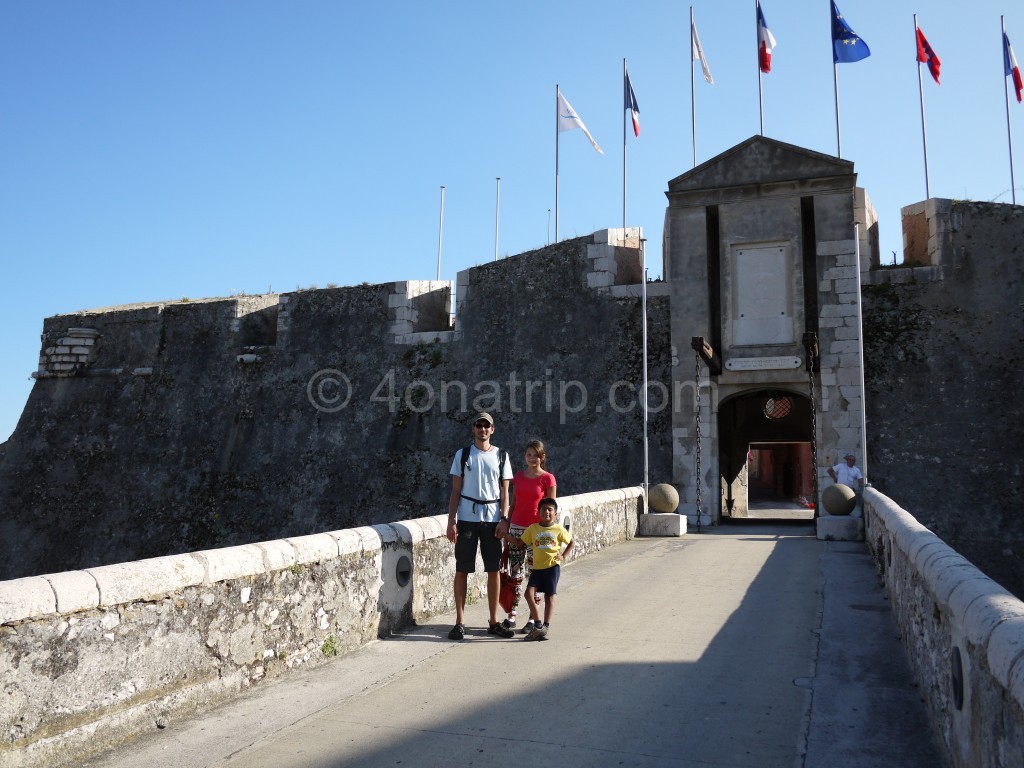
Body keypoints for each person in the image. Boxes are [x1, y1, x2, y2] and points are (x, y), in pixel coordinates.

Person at [446, 412, 515, 641]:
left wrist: (504, 519)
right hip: (467, 518)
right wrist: (451, 521)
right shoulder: (463, 455)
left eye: (486, 426)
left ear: (492, 430)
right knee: (462, 568)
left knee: (493, 569)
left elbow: (505, 492)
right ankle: (460, 621)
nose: (482, 429)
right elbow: (456, 491)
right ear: (473, 429)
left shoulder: (502, 456)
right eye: (479, 425)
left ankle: (493, 621)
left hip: (493, 518)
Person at [502, 440, 557, 634]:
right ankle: (512, 615)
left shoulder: (548, 479)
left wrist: (550, 534)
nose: (532, 458)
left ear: (542, 457)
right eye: (528, 454)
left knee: (535, 575)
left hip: (537, 531)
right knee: (515, 574)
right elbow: (514, 503)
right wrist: (507, 524)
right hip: (516, 528)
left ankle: (534, 619)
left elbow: (551, 507)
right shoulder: (518, 477)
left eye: (536, 455)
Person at [504, 497, 573, 641]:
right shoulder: (533, 528)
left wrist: (563, 556)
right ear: (538, 512)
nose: (547, 512)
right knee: (529, 594)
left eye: (550, 510)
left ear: (555, 513)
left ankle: (545, 626)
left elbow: (571, 542)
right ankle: (538, 625)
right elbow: (520, 542)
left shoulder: (558, 529)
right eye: (544, 509)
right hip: (537, 568)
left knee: (549, 597)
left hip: (552, 567)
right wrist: (505, 536)